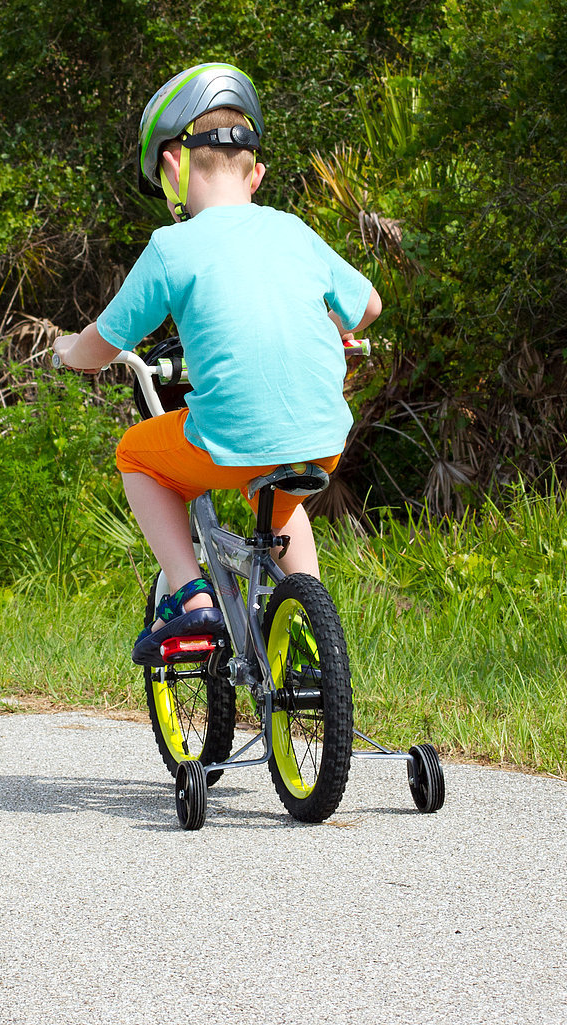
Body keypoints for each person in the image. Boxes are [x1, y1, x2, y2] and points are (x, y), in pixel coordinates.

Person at [53, 64, 382, 663]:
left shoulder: (171, 247)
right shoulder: (296, 232)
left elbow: (104, 341)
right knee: (285, 510)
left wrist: (68, 350)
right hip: (322, 439)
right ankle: (309, 637)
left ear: (174, 166)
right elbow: (368, 307)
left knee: (136, 455)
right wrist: (321, 325)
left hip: (230, 439)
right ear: (256, 174)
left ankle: (191, 595)